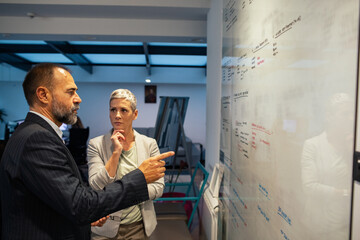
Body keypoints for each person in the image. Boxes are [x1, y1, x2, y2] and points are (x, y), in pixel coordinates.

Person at [0, 63, 174, 240]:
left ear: (134, 114)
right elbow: (83, 201)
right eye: (70, 92)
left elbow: (58, 197)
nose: (78, 98)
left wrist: (84, 214)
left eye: (123, 110)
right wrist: (140, 177)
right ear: (43, 95)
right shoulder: (37, 139)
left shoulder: (33, 134)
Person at [88, 89, 163, 239]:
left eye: (123, 110)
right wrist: (116, 153)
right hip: (106, 228)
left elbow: (158, 188)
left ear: (134, 114)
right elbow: (96, 186)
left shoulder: (149, 144)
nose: (117, 115)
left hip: (139, 226)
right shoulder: (96, 144)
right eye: (113, 110)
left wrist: (119, 194)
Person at [301, 93, 353, 240]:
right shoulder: (313, 145)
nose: (350, 118)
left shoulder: (353, 146)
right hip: (319, 226)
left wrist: (351, 152)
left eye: (352, 113)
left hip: (346, 225)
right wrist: (344, 193)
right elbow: (309, 186)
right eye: (344, 114)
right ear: (329, 116)